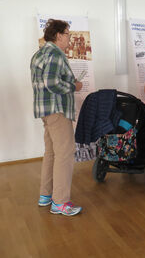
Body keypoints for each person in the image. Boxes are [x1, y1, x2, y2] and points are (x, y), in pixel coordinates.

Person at [30, 19, 83, 216]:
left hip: (45, 111)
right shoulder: (55, 54)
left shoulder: (39, 54)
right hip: (57, 111)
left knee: (51, 153)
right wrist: (73, 86)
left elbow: (45, 82)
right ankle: (60, 202)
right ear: (59, 35)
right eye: (68, 34)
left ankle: (46, 196)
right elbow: (52, 83)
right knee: (65, 154)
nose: (70, 37)